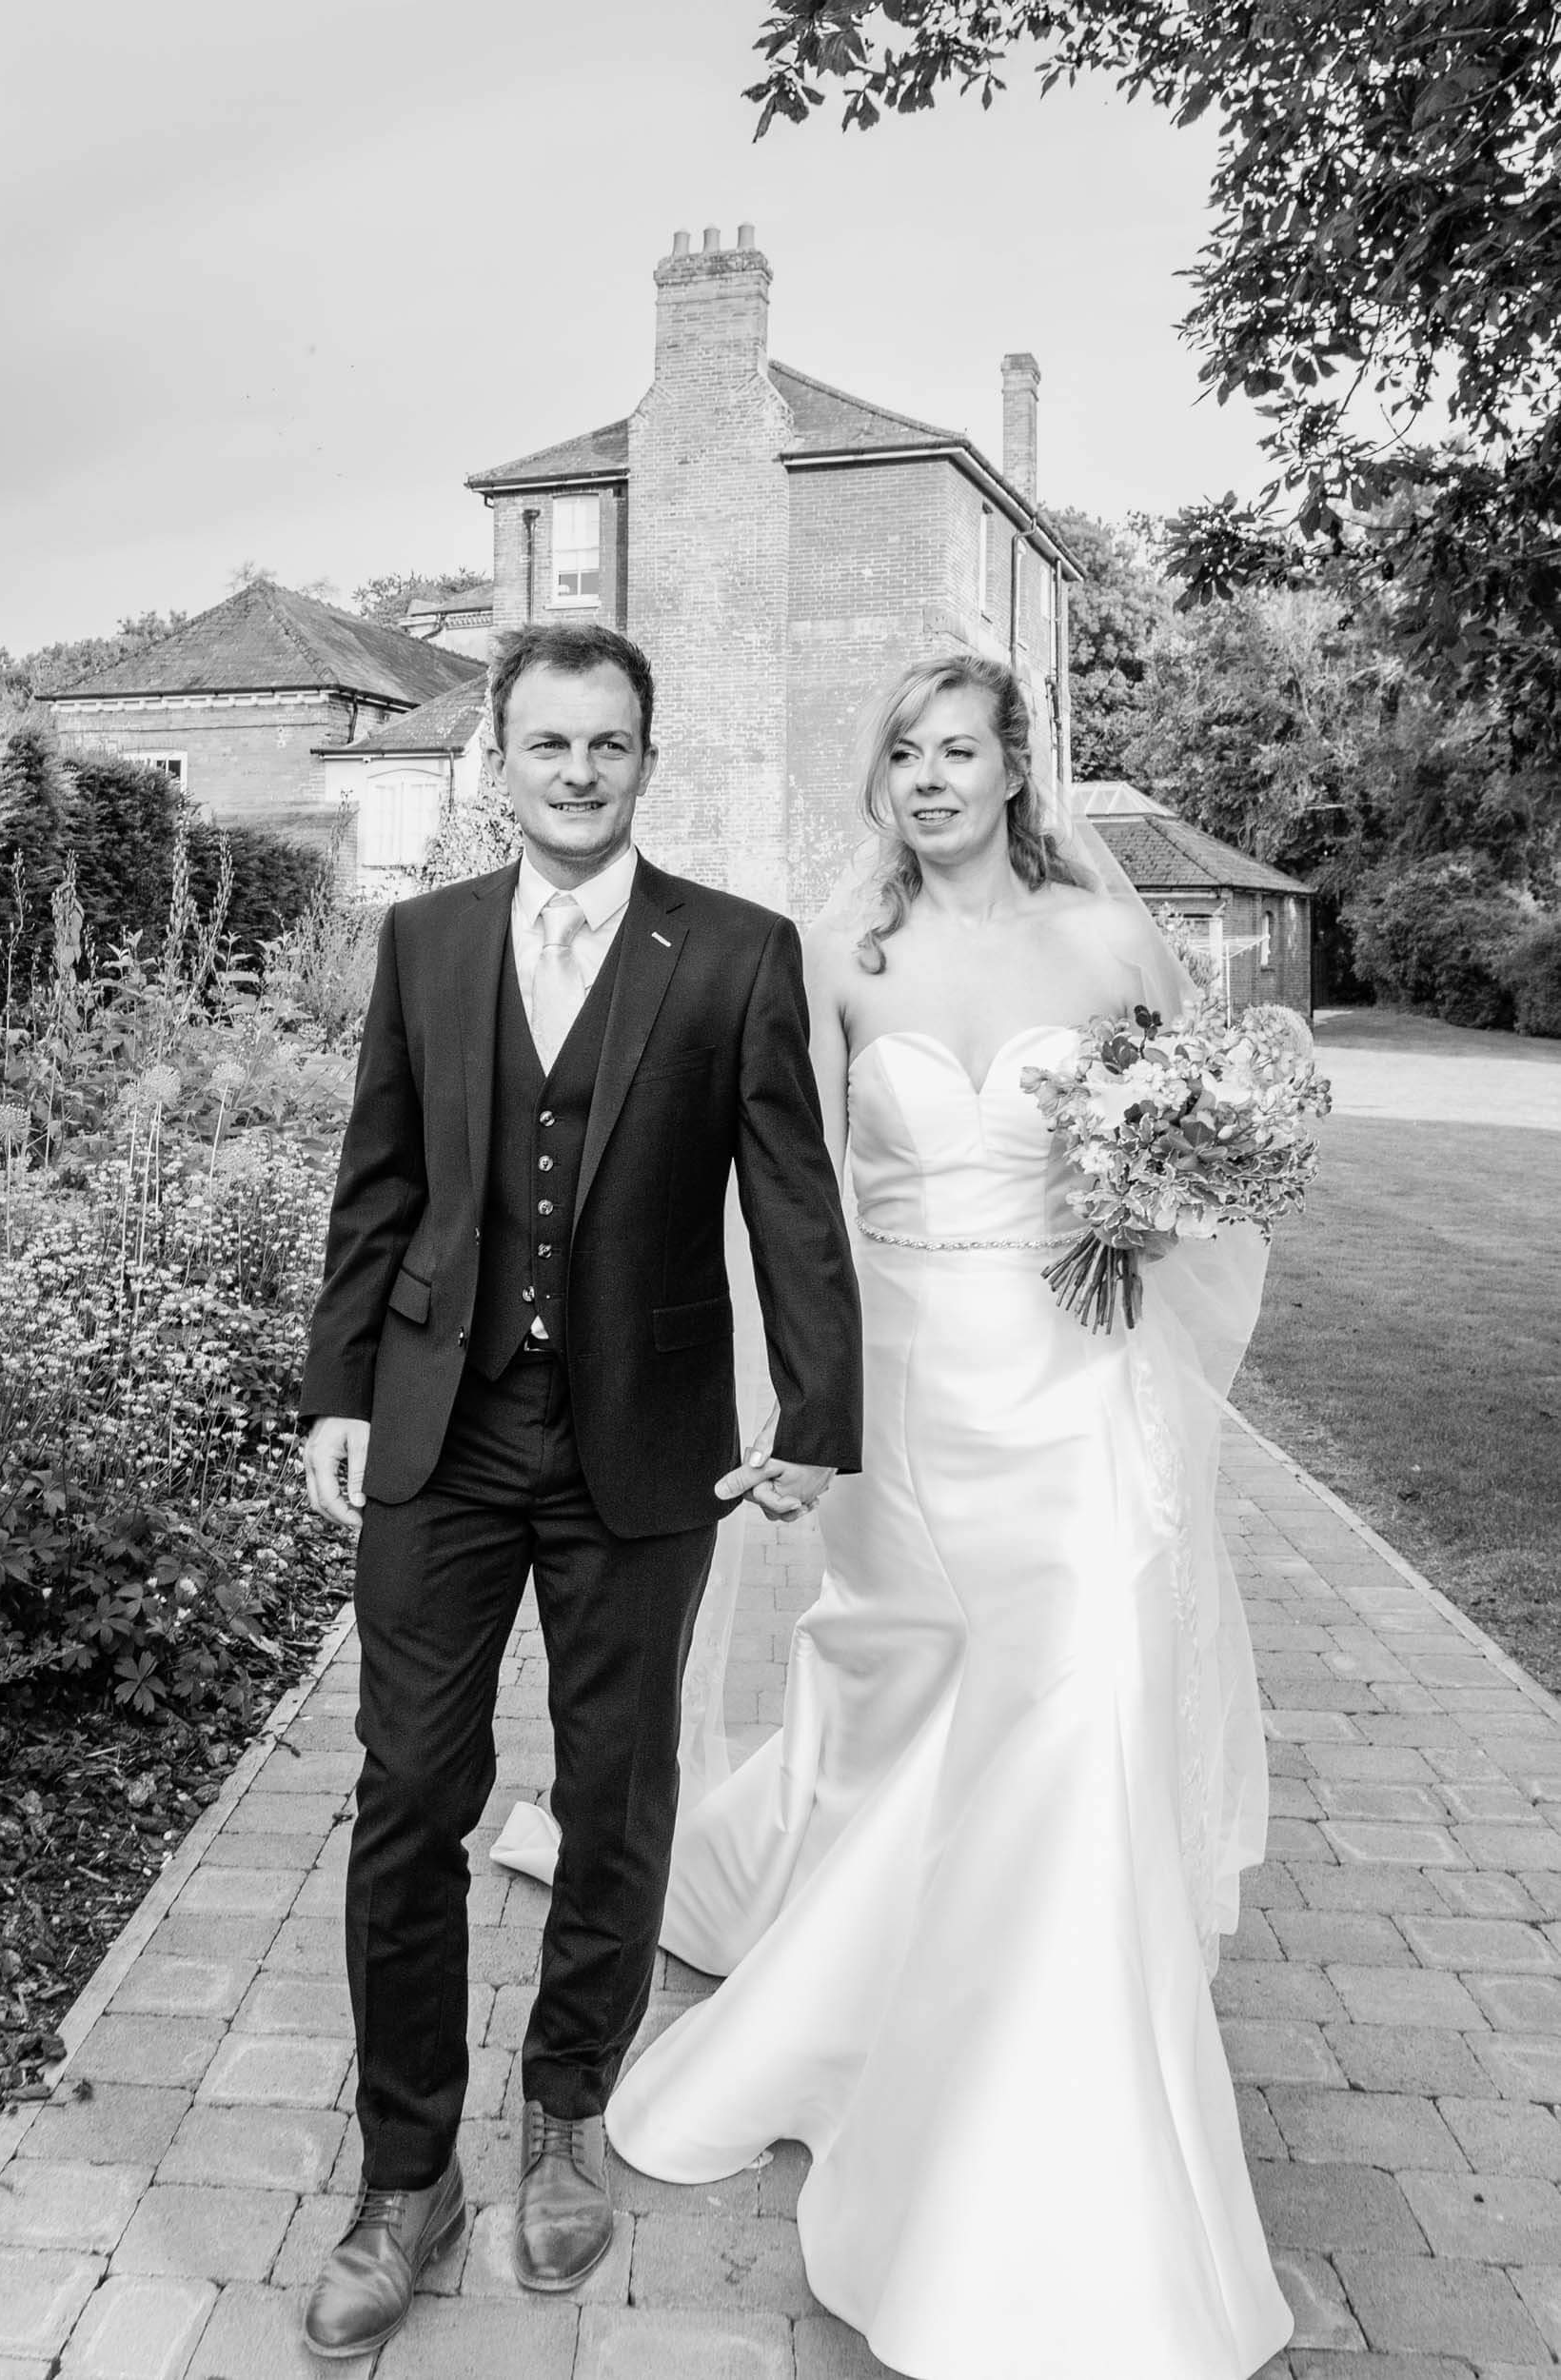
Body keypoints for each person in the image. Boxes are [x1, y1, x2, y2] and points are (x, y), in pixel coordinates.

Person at [603, 652, 1295, 2380]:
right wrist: (787, 1402)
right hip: (907, 1385)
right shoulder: (838, 951)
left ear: (1014, 770)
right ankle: (868, 1985)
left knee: (1081, 1707)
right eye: (901, 753)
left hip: (1077, 1385)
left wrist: (1166, 1184)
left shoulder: (1110, 945)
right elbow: (788, 1189)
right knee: (910, 1687)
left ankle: (1053, 2113)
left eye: (957, 751)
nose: (926, 778)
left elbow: (1193, 1154)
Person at [295, 620, 862, 2361]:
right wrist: (334, 1394)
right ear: (503, 754)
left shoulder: (737, 954)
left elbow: (788, 1195)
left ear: (644, 756)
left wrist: (820, 1409)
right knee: (411, 1791)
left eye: (608, 744)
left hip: (646, 1438)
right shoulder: (427, 939)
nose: (578, 771)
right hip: (439, 1433)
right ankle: (406, 2174)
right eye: (548, 744)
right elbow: (376, 1180)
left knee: (617, 1792)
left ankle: (558, 2126)